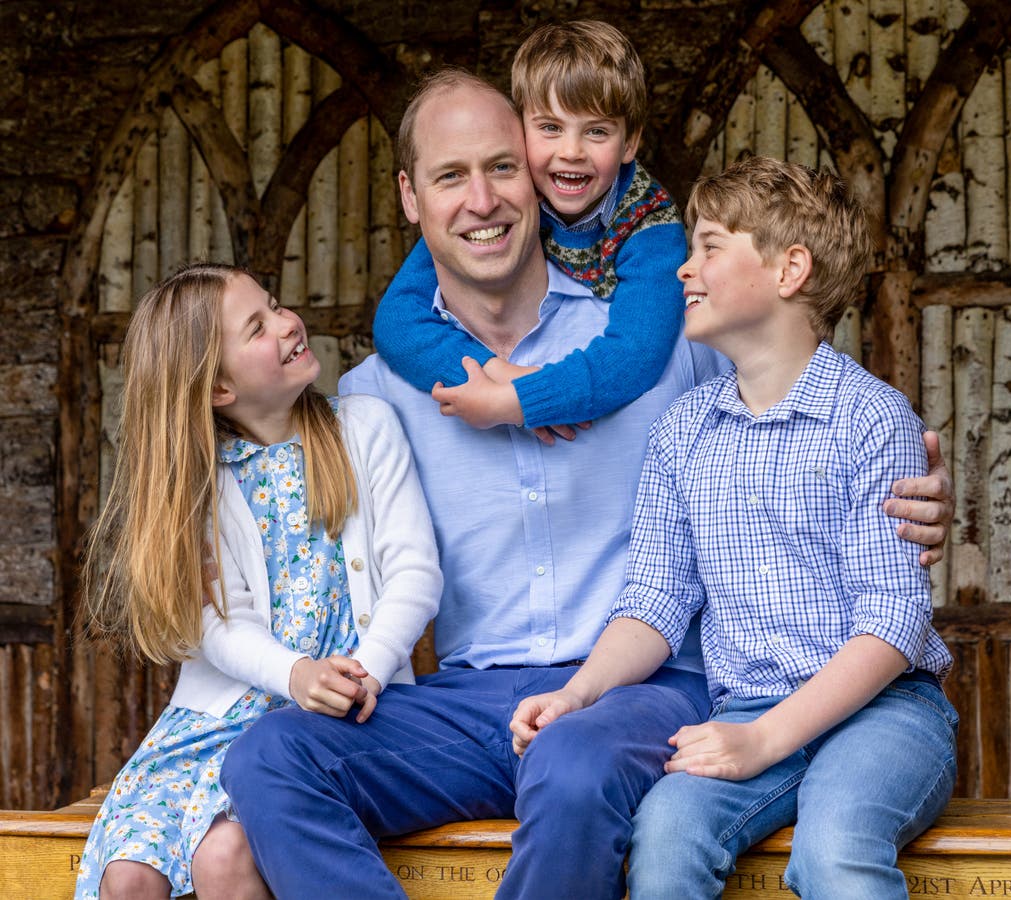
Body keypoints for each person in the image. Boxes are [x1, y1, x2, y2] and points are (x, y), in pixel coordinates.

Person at [220, 73, 955, 900]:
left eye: (502, 167)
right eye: (450, 176)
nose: (482, 200)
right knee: (269, 757)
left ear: (537, 179)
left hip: (645, 692)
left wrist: (919, 487)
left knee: (573, 764)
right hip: (471, 702)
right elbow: (257, 483)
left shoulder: (660, 341)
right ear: (410, 197)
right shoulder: (374, 396)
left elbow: (796, 407)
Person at [510, 157, 959, 900]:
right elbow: (654, 601)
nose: (684, 268)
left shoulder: (871, 419)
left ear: (790, 270)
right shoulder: (683, 431)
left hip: (885, 713)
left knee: (835, 847)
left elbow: (894, 619)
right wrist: (577, 693)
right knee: (665, 837)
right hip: (746, 707)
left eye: (710, 247)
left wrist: (764, 740)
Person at [73, 263, 442, 900]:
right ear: (219, 386)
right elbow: (219, 624)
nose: (287, 322)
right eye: (257, 327)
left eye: (275, 305)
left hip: (345, 711)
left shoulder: (365, 428)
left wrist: (369, 670)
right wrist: (294, 673)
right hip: (215, 722)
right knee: (128, 875)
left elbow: (415, 572)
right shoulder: (200, 484)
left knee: (224, 857)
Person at [372, 21, 684, 436]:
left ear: (629, 144)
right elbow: (396, 321)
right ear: (520, 130)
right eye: (550, 128)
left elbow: (637, 354)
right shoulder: (515, 198)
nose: (570, 152)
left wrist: (522, 400)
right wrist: (495, 373)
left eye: (596, 131)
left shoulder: (650, 224)